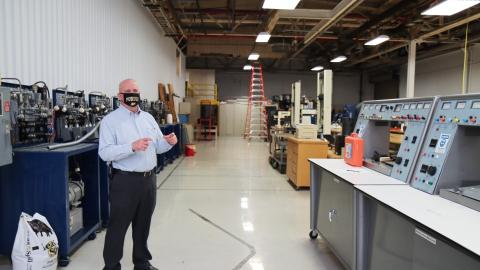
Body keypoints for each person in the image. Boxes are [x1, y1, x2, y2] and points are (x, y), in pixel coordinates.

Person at [98, 79, 177, 270]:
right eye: (128, 91)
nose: (132, 93)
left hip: (148, 181)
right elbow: (105, 153)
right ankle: (111, 266)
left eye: (135, 90)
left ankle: (141, 263)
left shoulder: (148, 118)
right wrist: (131, 147)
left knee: (143, 226)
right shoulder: (110, 121)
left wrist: (168, 142)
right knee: (118, 227)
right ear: (120, 96)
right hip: (125, 182)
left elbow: (157, 146)